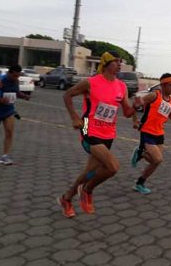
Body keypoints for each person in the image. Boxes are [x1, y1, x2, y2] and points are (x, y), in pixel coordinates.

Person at [57, 51, 136, 218]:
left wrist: (137, 105)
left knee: (90, 171)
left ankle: (67, 198)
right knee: (113, 166)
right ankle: (87, 190)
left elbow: (127, 112)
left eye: (121, 61)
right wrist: (74, 116)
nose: (120, 64)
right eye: (116, 61)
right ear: (106, 63)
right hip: (88, 128)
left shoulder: (121, 86)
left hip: (108, 133)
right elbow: (67, 95)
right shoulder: (90, 82)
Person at [130, 73, 171, 194]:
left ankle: (139, 182)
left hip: (159, 133)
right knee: (158, 159)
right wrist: (135, 120)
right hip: (147, 132)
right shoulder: (154, 95)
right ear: (163, 85)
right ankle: (140, 153)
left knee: (154, 161)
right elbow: (135, 104)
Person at [0, 65, 30, 165]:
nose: (16, 78)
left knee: (9, 132)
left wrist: (24, 96)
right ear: (10, 73)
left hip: (9, 111)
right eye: (15, 76)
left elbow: (16, 93)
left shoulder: (16, 81)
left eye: (18, 76)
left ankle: (5, 157)